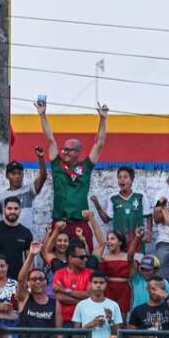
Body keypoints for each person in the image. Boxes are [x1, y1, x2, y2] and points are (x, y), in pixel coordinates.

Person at [37, 99, 108, 248]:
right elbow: (50, 140)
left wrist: (103, 119)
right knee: (52, 256)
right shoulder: (57, 165)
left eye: (69, 150)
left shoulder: (86, 167)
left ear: (77, 152)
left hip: (80, 224)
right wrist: (42, 115)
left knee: (83, 259)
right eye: (64, 149)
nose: (65, 152)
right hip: (59, 223)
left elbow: (99, 143)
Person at [72, 270, 122, 338]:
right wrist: (91, 324)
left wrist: (110, 320)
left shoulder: (114, 305)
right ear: (90, 284)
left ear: (106, 284)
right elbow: (76, 336)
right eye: (95, 282)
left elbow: (118, 335)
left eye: (101, 282)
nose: (98, 285)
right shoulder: (81, 305)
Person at [91, 165, 150, 242]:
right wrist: (97, 205)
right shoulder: (113, 198)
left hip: (136, 238)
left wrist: (149, 233)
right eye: (119, 177)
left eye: (125, 177)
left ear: (132, 180)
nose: (122, 180)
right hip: (119, 240)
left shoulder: (140, 196)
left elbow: (148, 215)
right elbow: (106, 220)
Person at [0, 196, 33, 280]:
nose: (13, 211)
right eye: (9, 208)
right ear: (4, 209)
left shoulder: (26, 233)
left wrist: (28, 277)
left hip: (17, 279)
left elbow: (29, 258)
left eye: (16, 209)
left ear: (20, 210)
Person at [0, 156, 47, 234]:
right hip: (7, 236)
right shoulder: (0, 197)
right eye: (13, 173)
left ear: (23, 175)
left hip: (26, 237)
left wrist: (40, 157)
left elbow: (43, 177)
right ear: (7, 176)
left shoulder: (29, 190)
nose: (17, 176)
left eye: (19, 173)